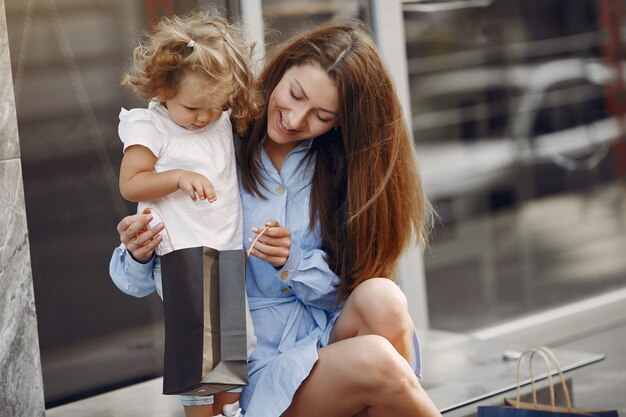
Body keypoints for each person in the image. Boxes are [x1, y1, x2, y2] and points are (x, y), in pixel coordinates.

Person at [111, 19, 442, 417]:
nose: (296, 119)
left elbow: (347, 285)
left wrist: (294, 261)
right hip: (252, 366)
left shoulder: (336, 166)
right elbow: (147, 283)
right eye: (295, 94)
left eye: (321, 115)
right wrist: (139, 253)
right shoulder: (214, 137)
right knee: (378, 360)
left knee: (383, 297)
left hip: (323, 339)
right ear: (281, 70)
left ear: (341, 122)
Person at [115, 10, 258, 417]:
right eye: (194, 107)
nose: (205, 118)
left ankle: (229, 410)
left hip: (225, 247)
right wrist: (177, 177)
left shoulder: (216, 119)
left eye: (216, 107)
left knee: (231, 350)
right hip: (181, 252)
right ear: (163, 88)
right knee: (198, 350)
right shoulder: (151, 125)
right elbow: (131, 183)